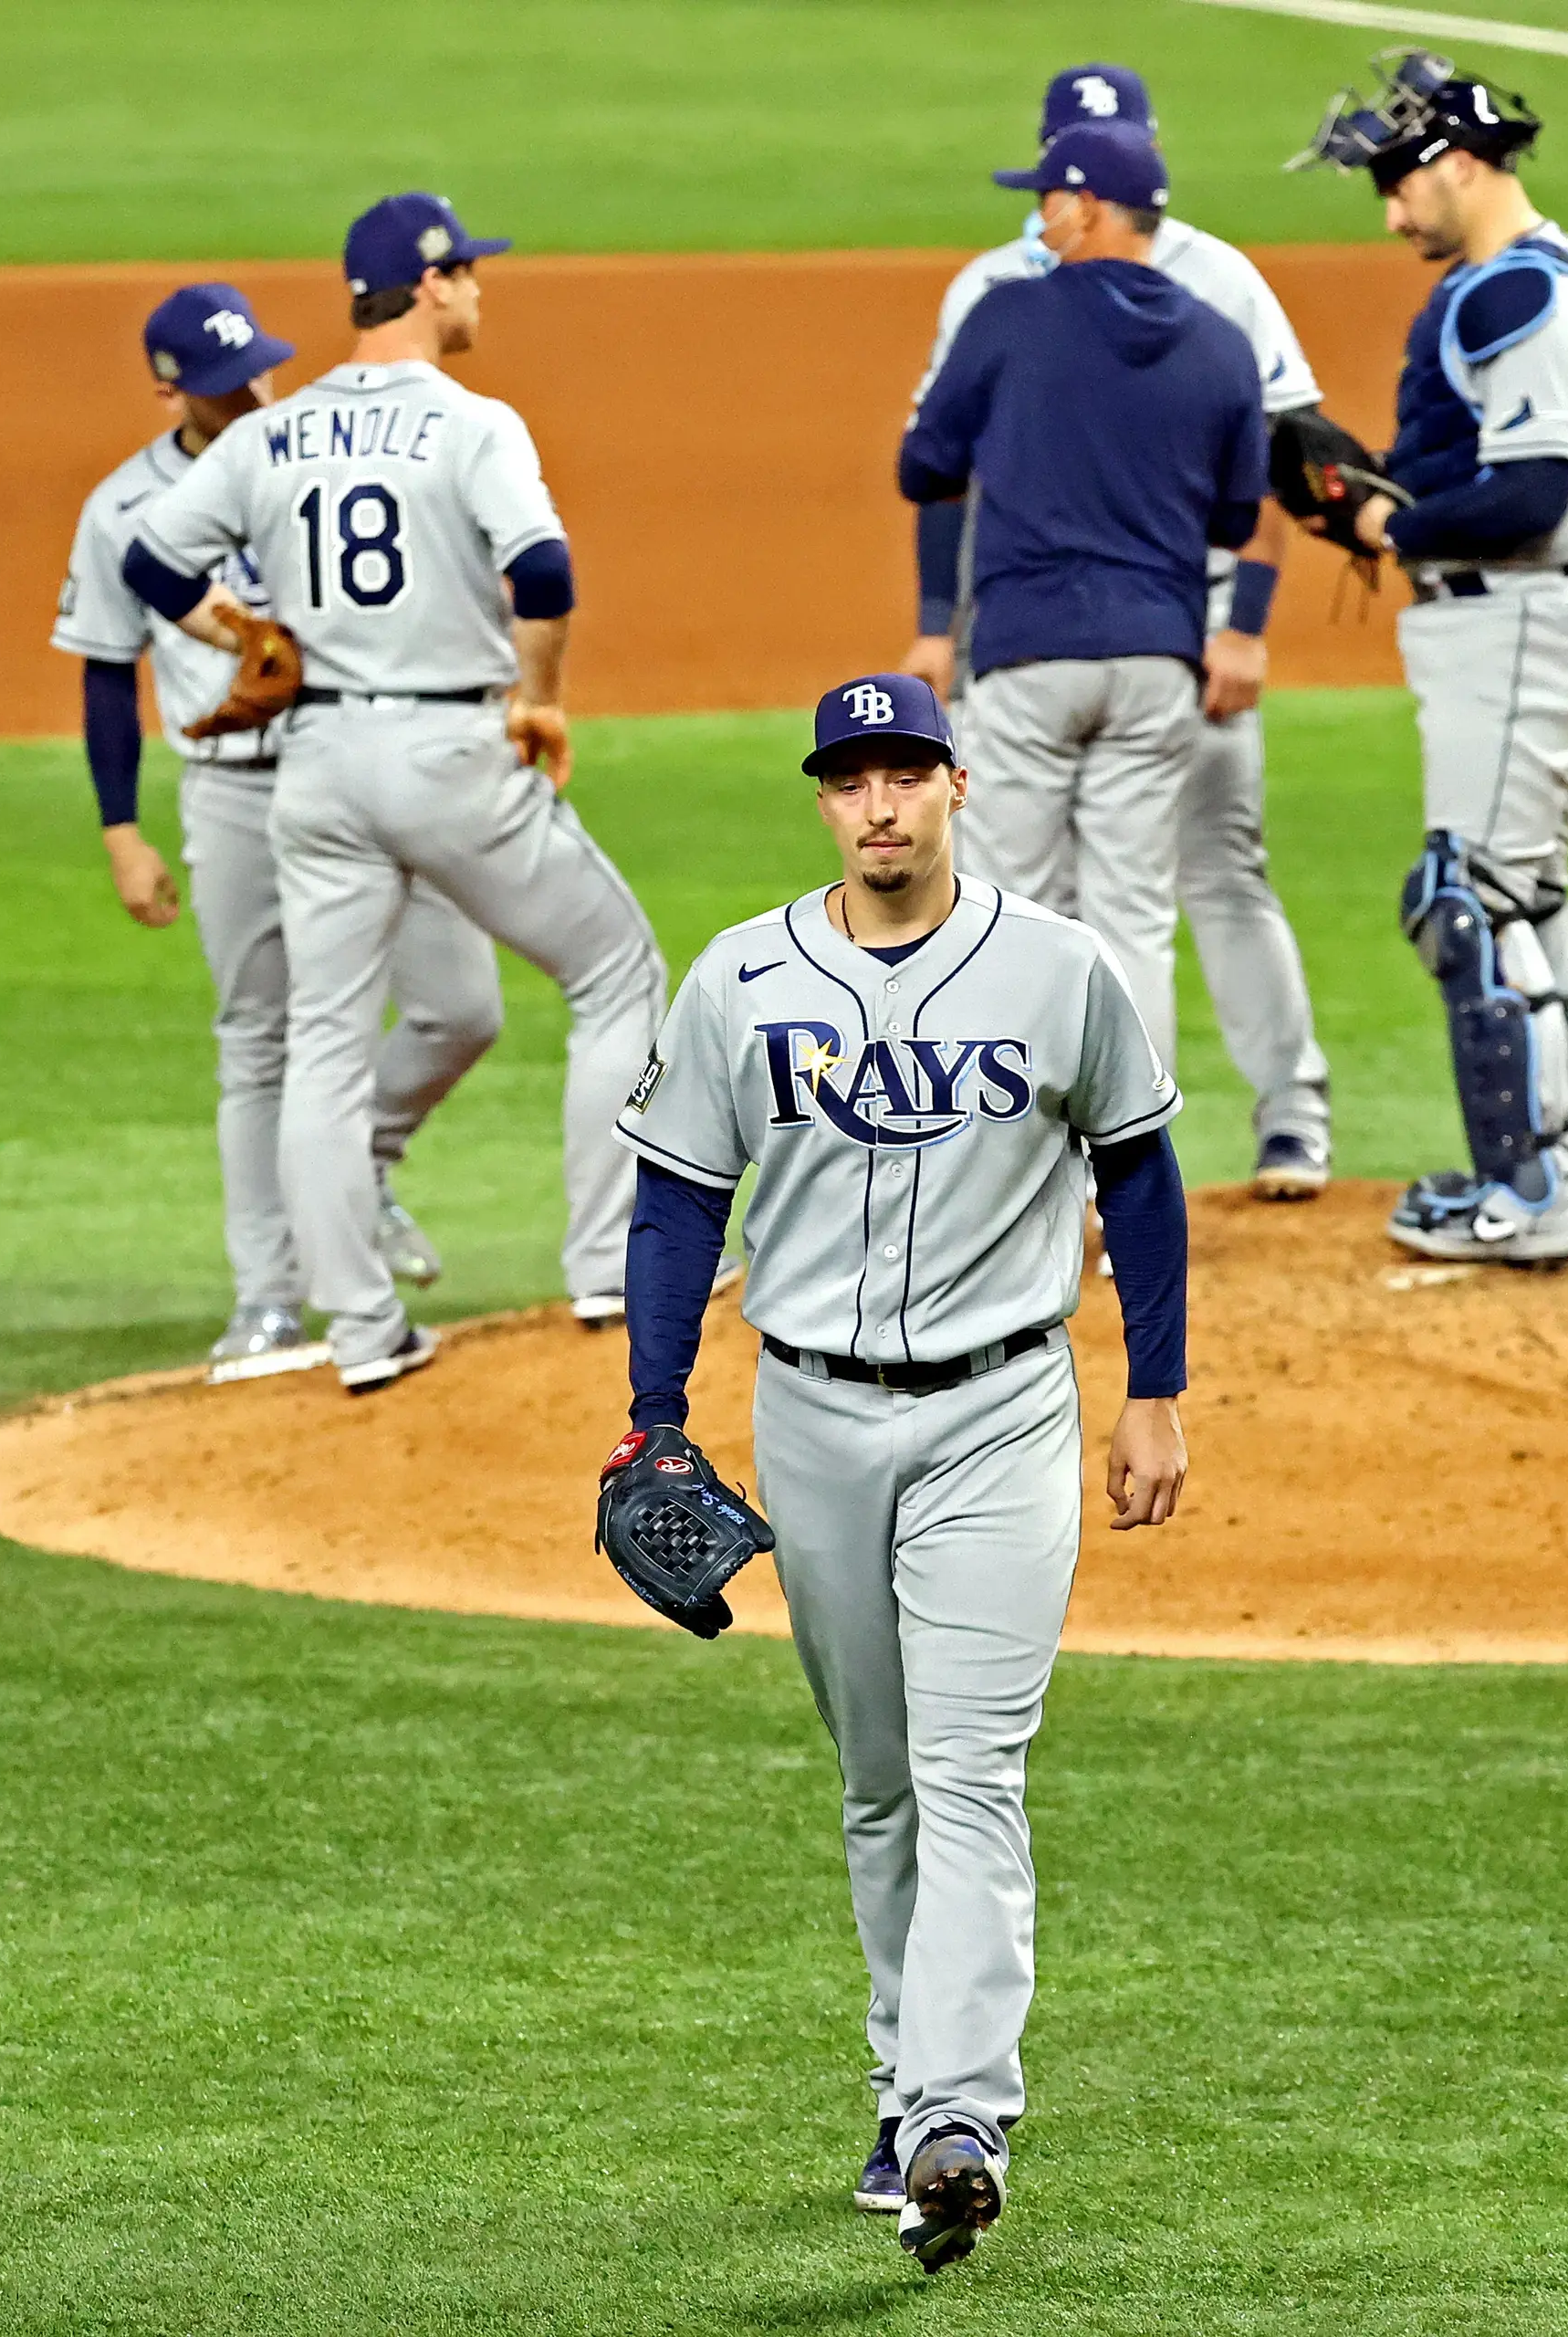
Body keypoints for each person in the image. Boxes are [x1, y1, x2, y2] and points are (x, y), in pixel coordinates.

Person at [607, 673, 1192, 2273]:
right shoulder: (737, 978)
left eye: (906, 774)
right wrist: (654, 1415)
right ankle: (899, 2083)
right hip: (811, 1416)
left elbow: (1138, 1173)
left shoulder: (1059, 970)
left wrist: (1158, 1389)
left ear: (954, 786)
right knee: (881, 1784)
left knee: (973, 1768)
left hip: (1004, 1412)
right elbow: (676, 1210)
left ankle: (960, 2116)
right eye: (851, 779)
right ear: (822, 801)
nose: (880, 805)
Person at [121, 194, 664, 1392]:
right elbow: (546, 571)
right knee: (616, 970)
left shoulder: (271, 436)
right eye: (469, 272)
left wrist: (243, 629)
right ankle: (611, 1268)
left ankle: (362, 1334)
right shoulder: (474, 424)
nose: (480, 289)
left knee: (324, 1041)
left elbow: (149, 559)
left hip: (314, 772)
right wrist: (542, 697)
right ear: (427, 285)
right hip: (444, 753)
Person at [54, 282, 503, 1381]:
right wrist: (123, 829)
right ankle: (267, 1298)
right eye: (219, 381)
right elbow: (107, 677)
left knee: (461, 1007)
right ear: (169, 389)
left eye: (256, 365)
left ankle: (356, 1166)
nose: (249, 389)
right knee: (260, 1041)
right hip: (234, 793)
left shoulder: (311, 455)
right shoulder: (123, 509)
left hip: (366, 764)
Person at [907, 63, 1337, 1200]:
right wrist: (933, 628)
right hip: (1142, 642)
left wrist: (1244, 629)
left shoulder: (1219, 280)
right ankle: (1120, 1173)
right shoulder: (994, 285)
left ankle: (1288, 1113)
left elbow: (1284, 464)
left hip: (1150, 633)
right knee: (1126, 912)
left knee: (1207, 873)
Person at [1294, 51, 1568, 1263]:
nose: (1391, 213)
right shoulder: (1535, 276)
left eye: (1400, 183)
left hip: (1517, 617)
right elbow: (1481, 466)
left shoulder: (1512, 296)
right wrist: (1378, 495)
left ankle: (1526, 1195)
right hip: (1512, 619)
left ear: (1463, 164)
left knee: (1466, 902)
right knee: (1521, 894)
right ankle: (1558, 1172)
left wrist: (1390, 523)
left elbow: (1532, 494)